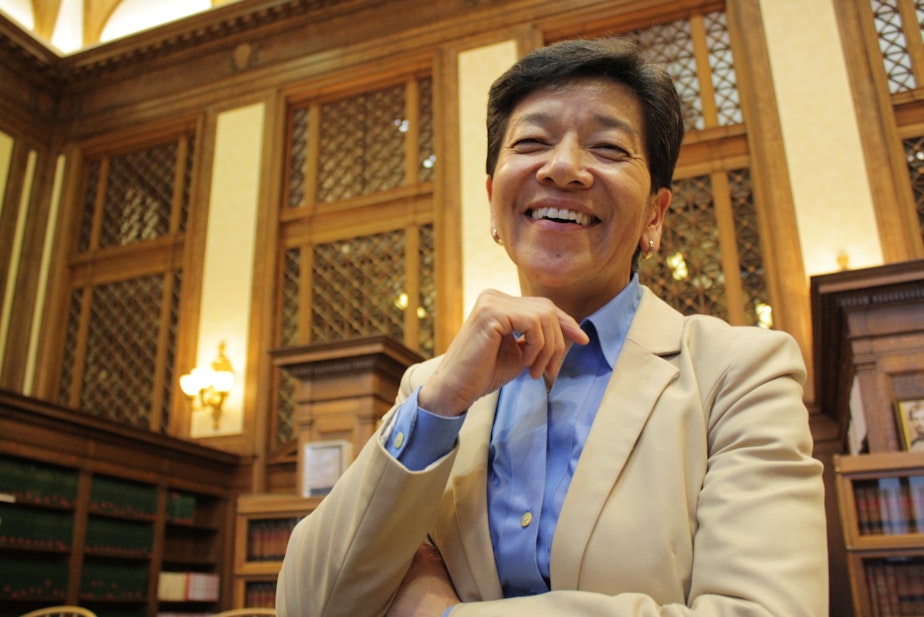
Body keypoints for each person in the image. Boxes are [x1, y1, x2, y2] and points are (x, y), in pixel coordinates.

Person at [276, 37, 828, 616]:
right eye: (533, 142)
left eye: (608, 148)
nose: (563, 167)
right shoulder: (431, 391)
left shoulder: (738, 373)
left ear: (655, 217)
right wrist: (439, 405)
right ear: (494, 202)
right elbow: (307, 604)